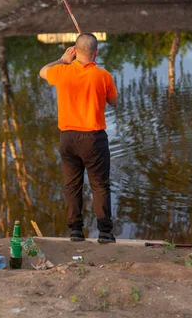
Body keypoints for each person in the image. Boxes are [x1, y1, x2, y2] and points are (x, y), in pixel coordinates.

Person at [40, 33, 118, 243]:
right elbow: (114, 102)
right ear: (96, 52)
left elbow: (42, 71)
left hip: (68, 138)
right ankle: (105, 233)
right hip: (93, 139)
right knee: (100, 185)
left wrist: (62, 60)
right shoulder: (103, 76)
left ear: (74, 50)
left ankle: (75, 231)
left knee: (72, 185)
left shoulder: (61, 72)